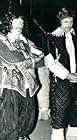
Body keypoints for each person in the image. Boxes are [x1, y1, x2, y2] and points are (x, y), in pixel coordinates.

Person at [44, 7, 77, 140]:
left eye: (71, 21)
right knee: (60, 110)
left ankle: (75, 135)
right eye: (66, 22)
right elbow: (51, 62)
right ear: (59, 22)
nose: (69, 25)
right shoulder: (51, 38)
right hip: (61, 81)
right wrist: (67, 75)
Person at [0, 8, 43, 140]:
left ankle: (22, 137)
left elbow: (41, 56)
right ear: (8, 23)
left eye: (22, 23)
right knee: (9, 123)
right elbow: (14, 59)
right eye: (16, 22)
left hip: (27, 86)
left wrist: (26, 47)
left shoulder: (23, 41)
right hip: (10, 87)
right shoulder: (2, 40)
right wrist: (30, 56)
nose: (20, 26)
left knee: (27, 120)